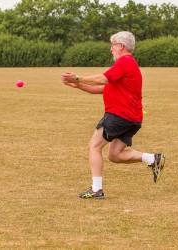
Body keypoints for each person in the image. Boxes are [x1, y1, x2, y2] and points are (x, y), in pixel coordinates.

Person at [61, 31, 166, 199]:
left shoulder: (125, 62)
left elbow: (102, 80)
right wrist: (78, 85)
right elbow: (102, 88)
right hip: (133, 118)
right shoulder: (125, 65)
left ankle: (96, 190)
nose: (111, 49)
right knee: (114, 155)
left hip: (120, 115)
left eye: (113, 45)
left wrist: (78, 77)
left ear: (121, 46)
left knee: (94, 145)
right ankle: (153, 158)